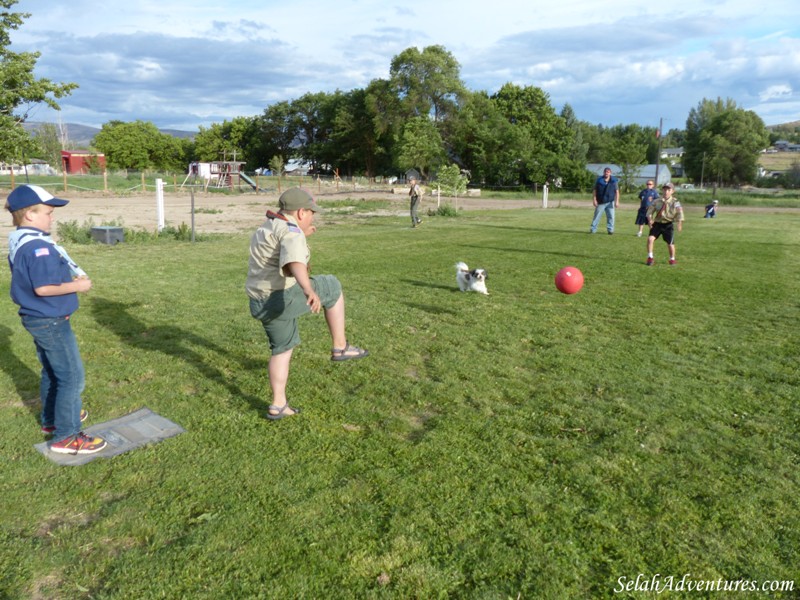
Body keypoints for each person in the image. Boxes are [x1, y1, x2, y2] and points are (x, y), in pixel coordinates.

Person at [246, 188, 369, 420]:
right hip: (280, 297)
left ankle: (278, 405)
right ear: (302, 212)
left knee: (281, 349)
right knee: (332, 286)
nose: (313, 216)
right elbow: (294, 261)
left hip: (259, 301)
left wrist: (303, 236)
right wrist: (308, 289)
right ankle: (340, 346)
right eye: (312, 212)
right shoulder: (292, 233)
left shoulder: (269, 225)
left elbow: (280, 248)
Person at [5, 185, 107, 454]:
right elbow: (43, 288)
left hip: (37, 317)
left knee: (52, 371)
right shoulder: (40, 247)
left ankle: (51, 420)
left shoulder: (20, 239)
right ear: (29, 215)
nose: (52, 218)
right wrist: (77, 286)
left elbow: (37, 280)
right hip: (50, 319)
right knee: (72, 378)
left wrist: (65, 280)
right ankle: (67, 436)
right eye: (48, 213)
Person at [645, 182, 684, 266]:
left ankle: (672, 259)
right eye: (665, 189)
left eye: (668, 190)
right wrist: (650, 219)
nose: (666, 191)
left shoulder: (675, 202)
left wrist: (679, 223)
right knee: (650, 239)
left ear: (672, 191)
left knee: (670, 243)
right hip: (657, 224)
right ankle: (650, 258)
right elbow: (649, 211)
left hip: (668, 225)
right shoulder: (656, 201)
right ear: (662, 190)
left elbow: (679, 213)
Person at [590, 167, 620, 234]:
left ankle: (610, 230)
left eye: (608, 172)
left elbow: (617, 192)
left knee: (611, 217)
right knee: (596, 216)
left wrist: (617, 201)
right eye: (605, 172)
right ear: (603, 172)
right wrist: (594, 200)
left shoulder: (614, 181)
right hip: (601, 201)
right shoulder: (599, 180)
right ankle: (593, 229)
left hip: (610, 202)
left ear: (610, 173)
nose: (607, 173)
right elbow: (595, 190)